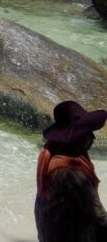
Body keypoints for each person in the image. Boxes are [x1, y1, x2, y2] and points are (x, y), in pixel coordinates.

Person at [36, 100, 107, 241]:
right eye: (87, 133)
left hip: (48, 231)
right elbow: (98, 213)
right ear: (75, 138)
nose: (92, 137)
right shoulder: (70, 169)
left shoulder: (52, 153)